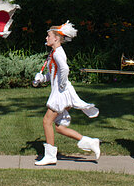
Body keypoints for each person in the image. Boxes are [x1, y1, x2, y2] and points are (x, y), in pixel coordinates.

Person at [32, 21, 100, 166]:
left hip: (61, 93)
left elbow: (65, 69)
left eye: (48, 36)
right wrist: (42, 79)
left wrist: (61, 85)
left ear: (56, 38)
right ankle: (89, 142)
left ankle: (50, 156)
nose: (46, 38)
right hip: (62, 92)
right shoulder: (54, 53)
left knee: (46, 121)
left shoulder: (58, 53)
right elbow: (54, 74)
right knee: (59, 127)